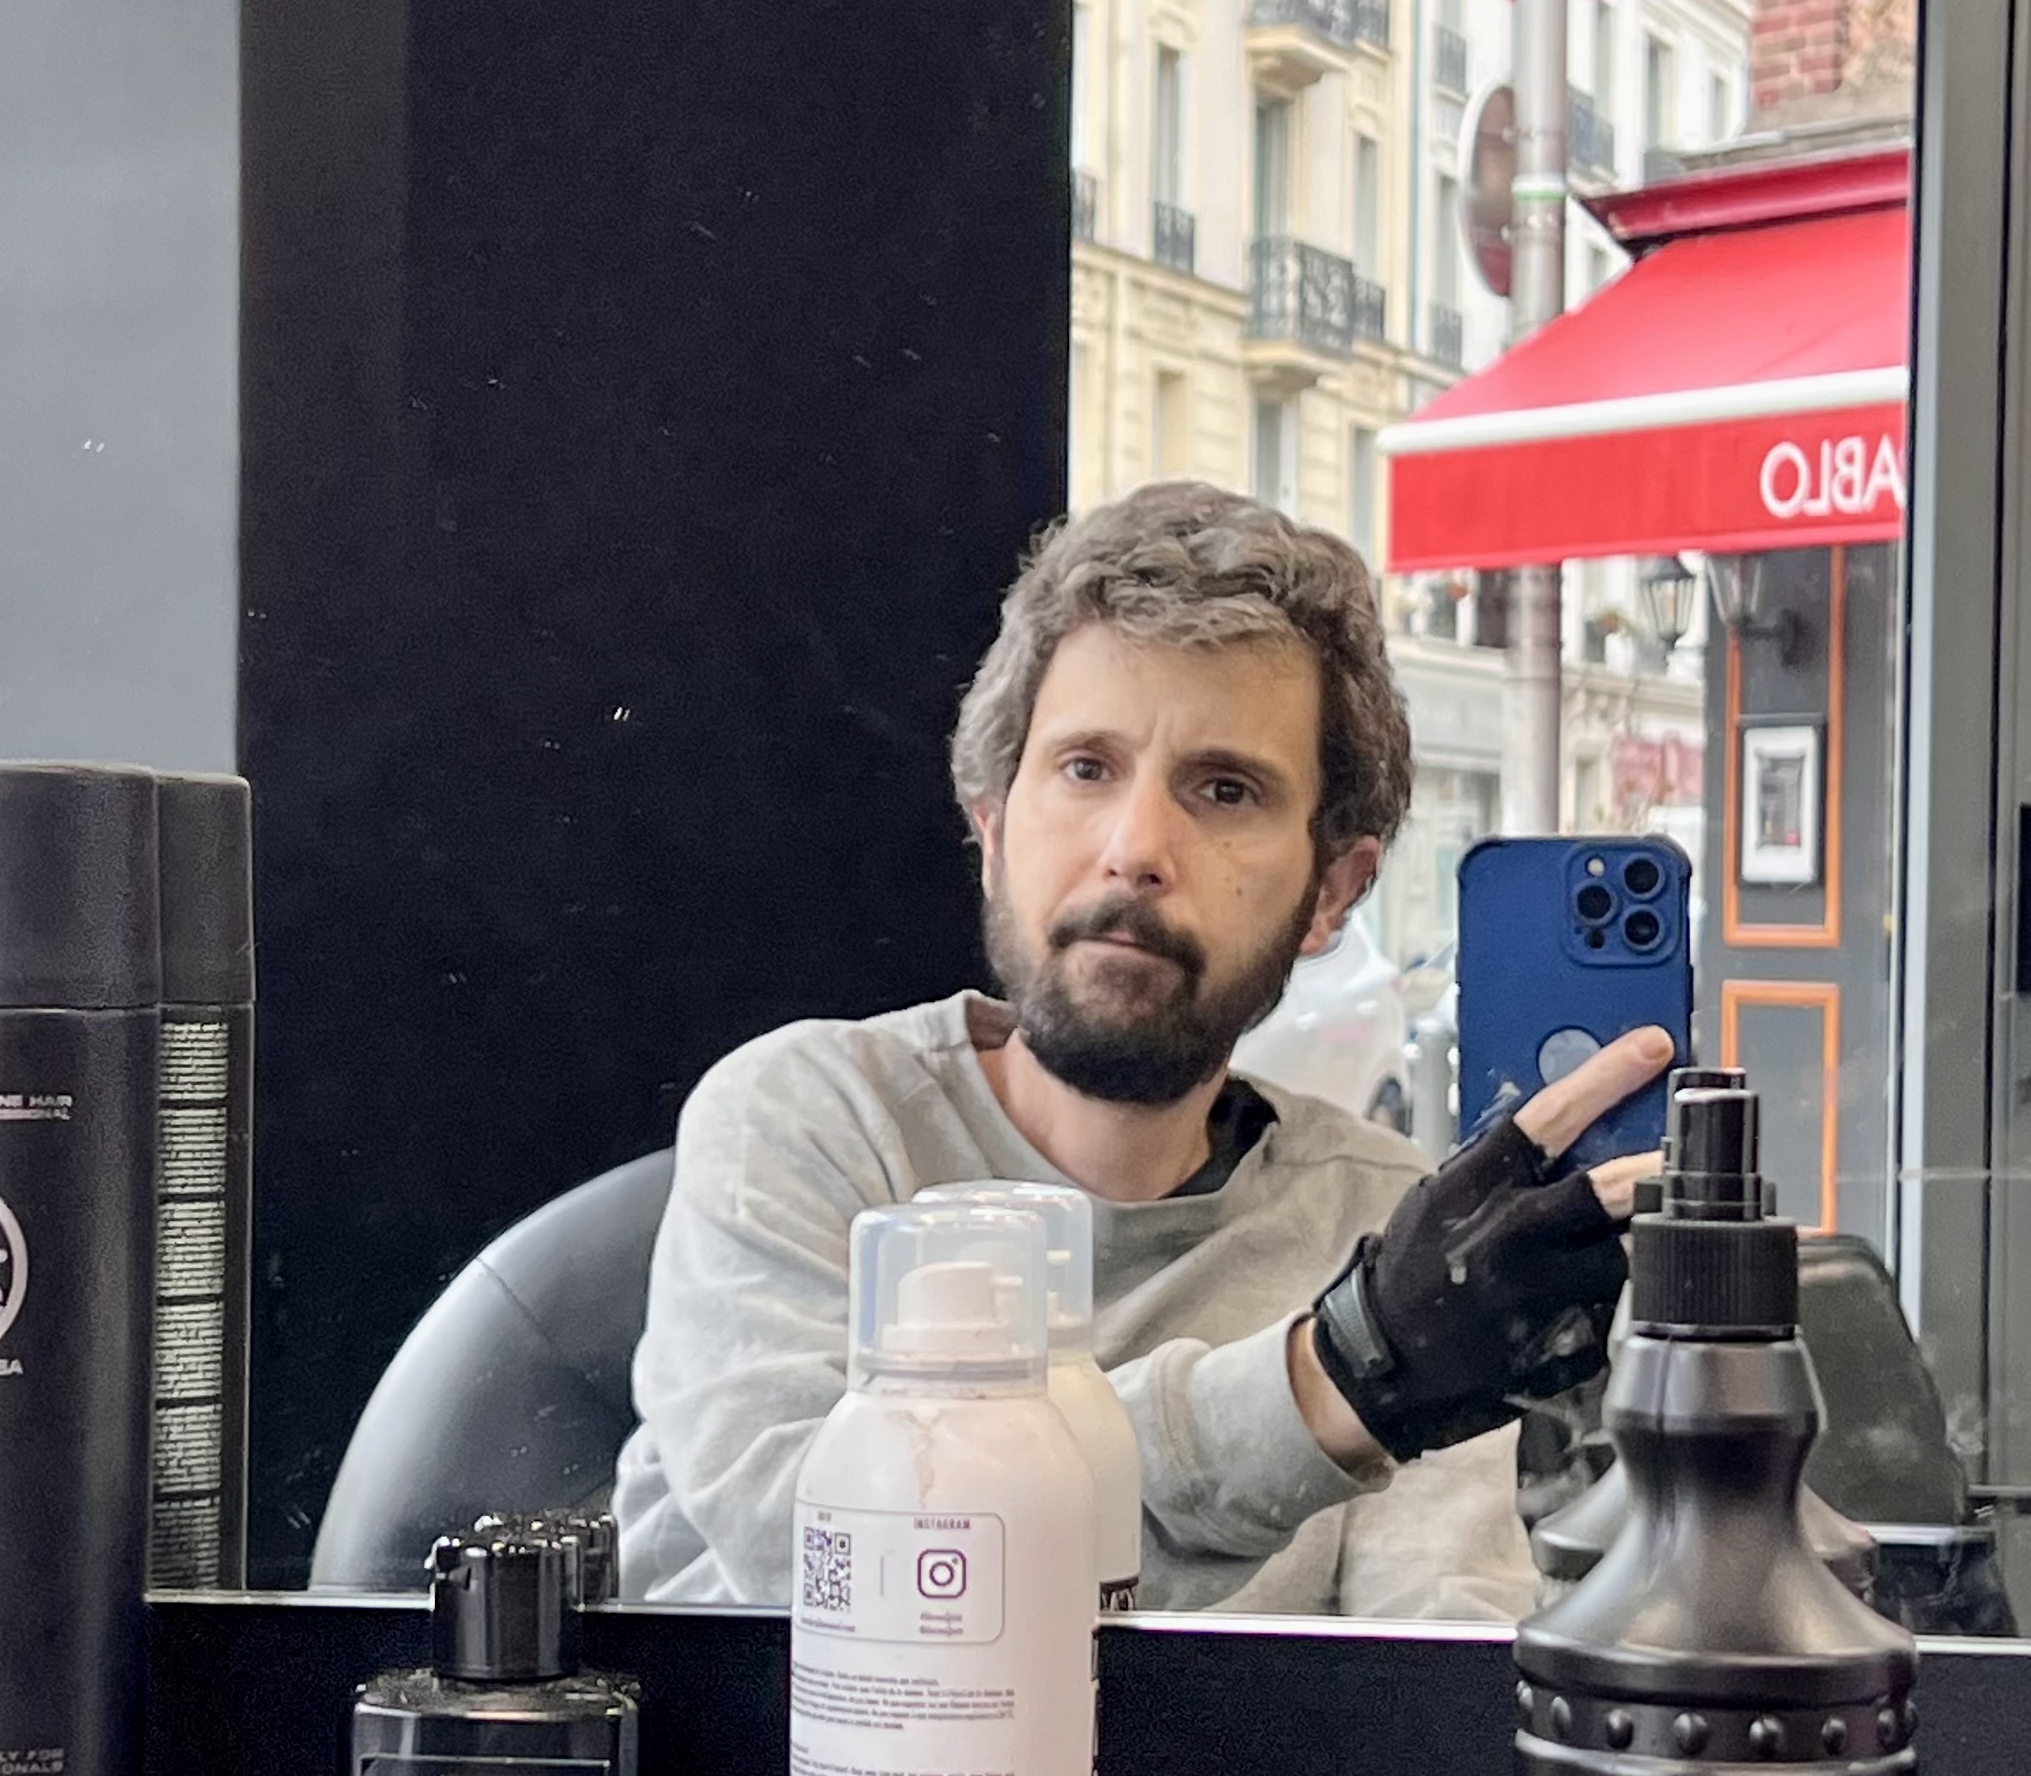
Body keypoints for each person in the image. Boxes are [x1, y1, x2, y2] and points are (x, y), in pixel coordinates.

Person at [612, 481, 1671, 1613]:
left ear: (1332, 891)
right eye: (1086, 768)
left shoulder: (1383, 1223)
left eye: (1225, 790)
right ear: (992, 829)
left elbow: (1431, 1649)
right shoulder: (810, 1123)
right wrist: (1344, 1375)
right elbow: (835, 1560)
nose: (1136, 848)